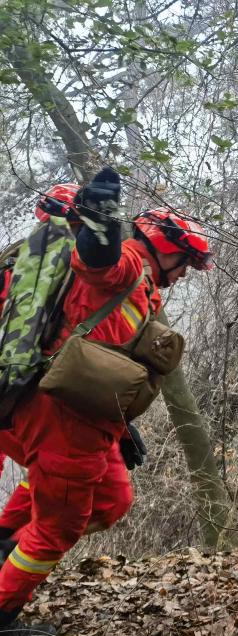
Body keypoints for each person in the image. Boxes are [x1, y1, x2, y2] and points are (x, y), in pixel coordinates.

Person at [0, 167, 212, 636]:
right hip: (62, 421)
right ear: (164, 246)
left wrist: (122, 427)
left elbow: (108, 348)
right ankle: (3, 609)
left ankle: (5, 548)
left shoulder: (144, 288)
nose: (184, 275)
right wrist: (100, 218)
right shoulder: (128, 266)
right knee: (59, 527)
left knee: (113, 500)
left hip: (90, 422)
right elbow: (98, 262)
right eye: (185, 263)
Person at [0, 185, 147, 560]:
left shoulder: (24, 264)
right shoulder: (61, 275)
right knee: (56, 514)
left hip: (17, 398)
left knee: (51, 480)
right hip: (25, 400)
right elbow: (63, 350)